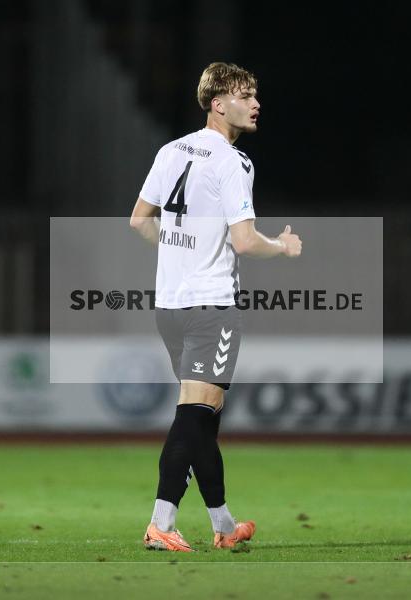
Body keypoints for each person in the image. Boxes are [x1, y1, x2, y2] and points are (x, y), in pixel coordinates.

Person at [129, 62, 302, 552]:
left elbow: (140, 222)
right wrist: (283, 247)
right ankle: (160, 522)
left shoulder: (170, 150)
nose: (256, 103)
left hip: (170, 304)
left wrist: (181, 247)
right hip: (211, 305)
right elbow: (245, 242)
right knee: (195, 413)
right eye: (246, 95)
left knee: (204, 415)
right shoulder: (233, 162)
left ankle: (224, 526)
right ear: (218, 103)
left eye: (255, 95)